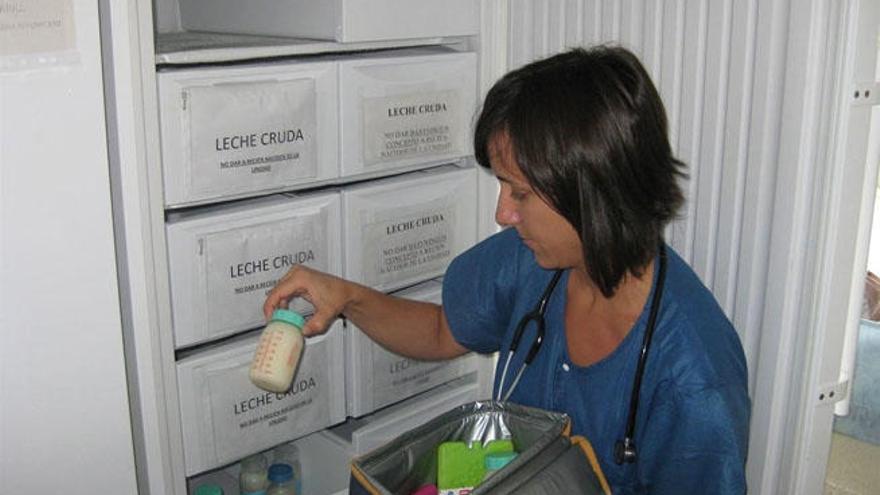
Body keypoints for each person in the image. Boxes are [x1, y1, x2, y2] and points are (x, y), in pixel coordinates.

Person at [264, 45, 750, 494]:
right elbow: (441, 329)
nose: (503, 214)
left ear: (593, 190)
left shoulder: (693, 378)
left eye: (519, 192)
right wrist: (347, 297)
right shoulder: (535, 259)